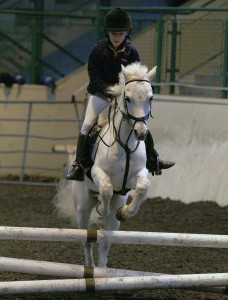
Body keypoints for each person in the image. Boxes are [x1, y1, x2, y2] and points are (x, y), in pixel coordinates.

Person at [65, 7, 175, 181]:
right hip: (101, 95)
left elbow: (136, 78)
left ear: (126, 33)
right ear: (108, 33)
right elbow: (93, 77)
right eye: (113, 33)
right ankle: (78, 164)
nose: (117, 37)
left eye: (121, 33)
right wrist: (109, 92)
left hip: (125, 97)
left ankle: (153, 159)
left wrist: (124, 93)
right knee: (87, 125)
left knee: (140, 124)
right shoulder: (98, 50)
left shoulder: (132, 52)